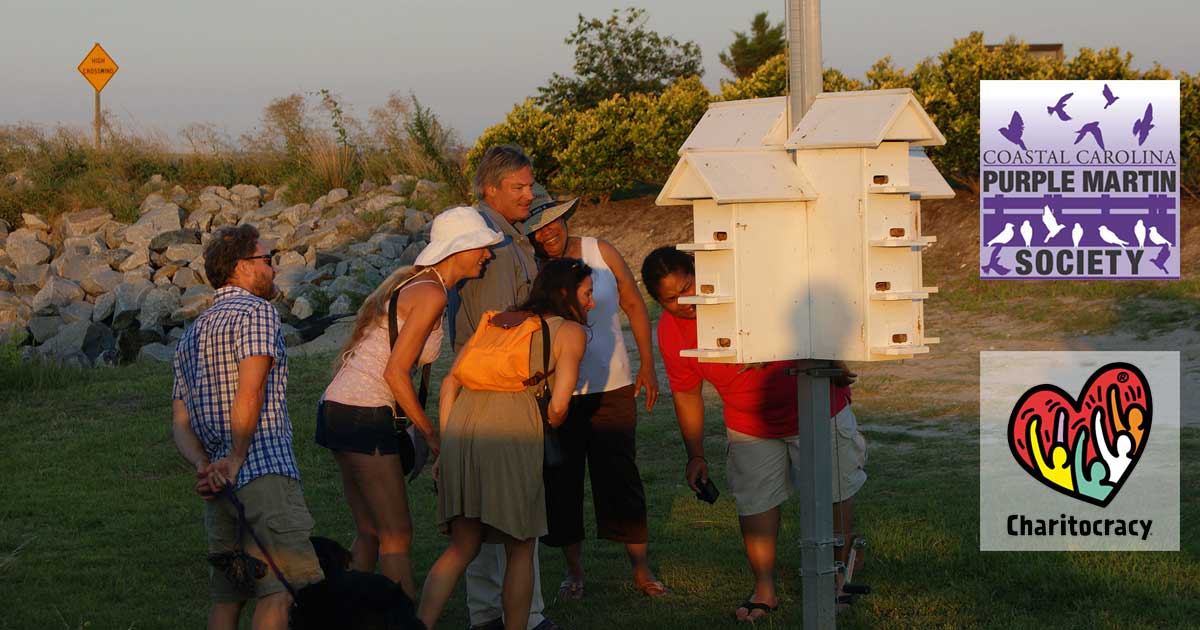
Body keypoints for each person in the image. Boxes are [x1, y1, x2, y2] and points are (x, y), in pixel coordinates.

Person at [640, 246, 868, 621]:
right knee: (755, 504)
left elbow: (807, 314)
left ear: (699, 272)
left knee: (834, 492)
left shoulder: (748, 290)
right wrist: (695, 453)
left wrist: (833, 360)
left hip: (815, 408)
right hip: (749, 424)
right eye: (671, 299)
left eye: (688, 286)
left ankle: (838, 575)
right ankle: (765, 588)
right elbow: (685, 392)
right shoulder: (670, 331)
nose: (685, 302)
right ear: (658, 301)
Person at [316, 207, 503, 596]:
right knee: (396, 535)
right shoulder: (433, 293)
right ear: (457, 250)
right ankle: (398, 620)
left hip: (336, 409)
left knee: (369, 531)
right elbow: (395, 373)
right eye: (482, 247)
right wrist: (431, 435)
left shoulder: (421, 286)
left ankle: (345, 614)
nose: (488, 255)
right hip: (364, 413)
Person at [419, 258, 593, 630]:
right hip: (511, 425)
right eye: (587, 293)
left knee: (462, 547)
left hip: (465, 421)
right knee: (520, 546)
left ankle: (420, 624)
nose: (591, 302)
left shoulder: (497, 319)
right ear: (565, 294)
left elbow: (450, 383)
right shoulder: (570, 332)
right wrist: (551, 418)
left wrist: (449, 445)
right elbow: (560, 406)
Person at [171, 224, 324, 630]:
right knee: (280, 591)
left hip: (217, 484)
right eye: (267, 260)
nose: (273, 269)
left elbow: (180, 422)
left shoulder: (191, 334)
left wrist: (207, 466)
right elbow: (250, 390)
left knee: (228, 597)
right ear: (242, 267)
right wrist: (236, 458)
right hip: (260, 472)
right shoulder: (257, 313)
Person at [522, 188, 666, 599]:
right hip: (556, 392)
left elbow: (635, 305)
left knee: (621, 478)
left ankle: (641, 570)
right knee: (562, 481)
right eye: (536, 229)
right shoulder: (534, 267)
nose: (546, 233)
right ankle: (574, 573)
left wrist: (648, 364)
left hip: (613, 384)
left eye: (551, 222)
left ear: (564, 218)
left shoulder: (600, 251)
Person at [447, 144, 562, 630]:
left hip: (481, 388)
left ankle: (491, 612)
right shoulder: (492, 243)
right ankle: (516, 616)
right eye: (518, 187)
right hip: (499, 389)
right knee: (512, 514)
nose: (529, 194)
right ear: (489, 188)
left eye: (529, 184)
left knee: (482, 510)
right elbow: (500, 331)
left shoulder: (501, 236)